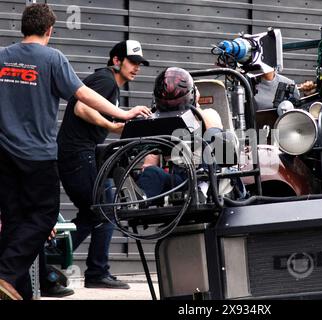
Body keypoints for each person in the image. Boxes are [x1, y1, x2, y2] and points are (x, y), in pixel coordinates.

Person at [0, 4, 150, 300]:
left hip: (4, 155)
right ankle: (5, 274)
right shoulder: (52, 58)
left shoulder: (2, 57)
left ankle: (19, 289)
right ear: (50, 30)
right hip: (38, 156)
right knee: (43, 218)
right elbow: (83, 96)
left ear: (23, 27)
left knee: (15, 220)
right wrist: (123, 113)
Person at [56, 40, 150, 290]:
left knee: (95, 213)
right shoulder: (106, 80)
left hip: (81, 155)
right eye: (132, 62)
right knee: (103, 210)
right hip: (77, 156)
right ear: (116, 61)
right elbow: (80, 107)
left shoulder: (111, 86)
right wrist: (112, 126)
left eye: (140, 64)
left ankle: (52, 261)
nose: (136, 68)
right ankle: (92, 271)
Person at [136, 67, 224, 198]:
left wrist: (196, 107)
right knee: (152, 172)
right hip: (177, 178)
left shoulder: (208, 115)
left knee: (213, 134)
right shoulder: (159, 122)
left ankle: (201, 190)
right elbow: (150, 162)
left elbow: (216, 141)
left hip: (207, 176)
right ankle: (141, 200)